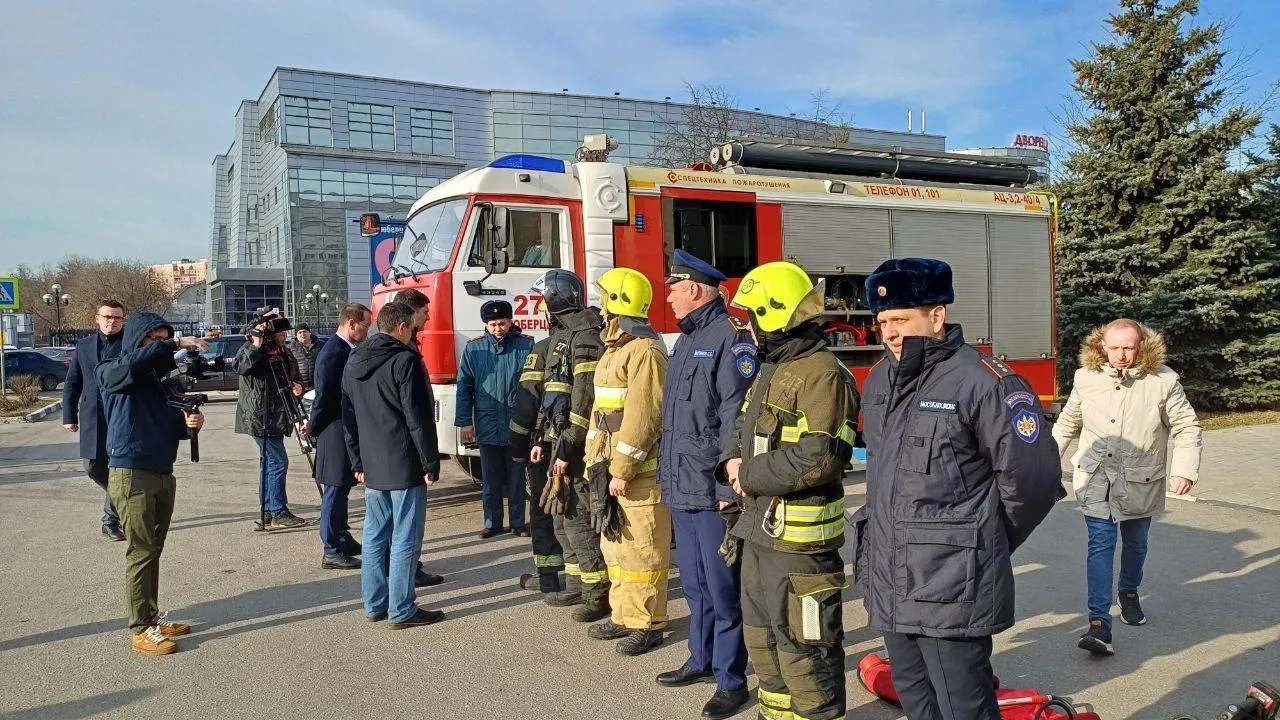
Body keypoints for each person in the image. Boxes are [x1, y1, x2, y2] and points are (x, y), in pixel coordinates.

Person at [854, 258, 1061, 720]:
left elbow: (1035, 480)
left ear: (937, 315)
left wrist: (983, 538)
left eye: (901, 319)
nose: (889, 331)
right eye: (883, 320)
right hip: (893, 575)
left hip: (950, 581)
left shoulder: (985, 381)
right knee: (913, 696)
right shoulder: (882, 379)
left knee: (963, 705)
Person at [717, 262, 858, 720]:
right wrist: (729, 467)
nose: (746, 325)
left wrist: (748, 475)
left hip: (799, 544)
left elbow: (821, 457)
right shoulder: (773, 366)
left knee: (805, 650)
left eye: (751, 315)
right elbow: (742, 428)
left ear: (775, 315)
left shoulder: (822, 374)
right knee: (763, 642)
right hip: (758, 531)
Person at [1051, 318, 1202, 656]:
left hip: (1139, 479)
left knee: (1136, 542)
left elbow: (1186, 426)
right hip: (1096, 478)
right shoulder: (1085, 378)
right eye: (1114, 347)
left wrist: (1184, 469)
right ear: (1102, 345)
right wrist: (1045, 460)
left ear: (1140, 346)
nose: (1121, 355)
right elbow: (1068, 422)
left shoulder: (1163, 381)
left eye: (1128, 348)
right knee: (1100, 544)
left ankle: (1129, 592)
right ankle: (1099, 623)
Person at [654, 251, 753, 718]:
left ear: (694, 289)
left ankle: (732, 680)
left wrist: (726, 487)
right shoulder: (688, 339)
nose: (668, 296)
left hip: (710, 489)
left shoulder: (729, 340)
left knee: (722, 589)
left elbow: (735, 418)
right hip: (681, 485)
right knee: (693, 584)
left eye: (672, 287)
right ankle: (702, 659)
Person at [95, 312, 206, 655]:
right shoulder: (115, 369)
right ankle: (140, 628)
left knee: (153, 549)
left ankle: (152, 617)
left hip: (161, 470)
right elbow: (128, 367)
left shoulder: (162, 380)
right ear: (137, 340)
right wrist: (172, 344)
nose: (159, 346)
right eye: (153, 339)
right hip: (131, 471)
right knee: (141, 550)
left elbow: (173, 427)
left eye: (164, 338)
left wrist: (191, 423)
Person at [341, 300, 445, 629]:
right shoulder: (404, 360)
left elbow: (348, 417)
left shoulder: (354, 359)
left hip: (372, 462)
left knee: (374, 536)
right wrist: (431, 460)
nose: (415, 331)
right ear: (401, 327)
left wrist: (357, 459)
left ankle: (375, 604)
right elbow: (418, 418)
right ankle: (402, 609)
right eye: (413, 327)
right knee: (405, 537)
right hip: (403, 461)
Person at [584, 267, 671, 657]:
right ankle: (624, 615)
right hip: (609, 469)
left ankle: (647, 624)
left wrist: (621, 469)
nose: (601, 310)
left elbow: (643, 417)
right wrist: (593, 462)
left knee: (642, 552)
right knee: (616, 549)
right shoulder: (616, 348)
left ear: (618, 306)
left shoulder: (645, 351)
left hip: (635, 474)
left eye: (605, 301)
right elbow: (599, 413)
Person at [528, 269, 611, 614]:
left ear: (554, 301)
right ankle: (577, 583)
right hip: (558, 440)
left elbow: (582, 401)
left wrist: (566, 449)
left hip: (575, 446)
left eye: (543, 300)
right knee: (560, 517)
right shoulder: (566, 333)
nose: (540, 308)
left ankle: (597, 592)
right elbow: (553, 392)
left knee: (575, 517)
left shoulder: (585, 336)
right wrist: (542, 438)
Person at [457, 300, 533, 538]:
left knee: (517, 479)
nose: (498, 328)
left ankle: (518, 523)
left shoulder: (526, 346)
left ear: (511, 322)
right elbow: (464, 388)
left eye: (502, 323)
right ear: (486, 325)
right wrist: (464, 422)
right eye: (493, 324)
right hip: (487, 422)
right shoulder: (473, 350)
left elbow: (534, 386)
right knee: (490, 479)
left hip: (516, 424)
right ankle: (492, 522)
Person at [390, 287, 446, 588]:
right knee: (407, 525)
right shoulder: (404, 354)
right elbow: (414, 412)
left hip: (390, 451)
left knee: (390, 526)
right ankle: (406, 580)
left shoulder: (394, 348)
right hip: (406, 450)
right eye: (425, 313)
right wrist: (429, 459)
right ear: (410, 315)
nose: (428, 317)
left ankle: (405, 572)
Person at [310, 303, 373, 570]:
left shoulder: (344, 349)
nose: (367, 332)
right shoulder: (334, 352)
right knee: (334, 490)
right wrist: (313, 428)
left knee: (343, 487)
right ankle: (331, 548)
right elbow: (324, 397)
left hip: (344, 428)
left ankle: (342, 537)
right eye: (365, 326)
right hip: (334, 429)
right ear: (351, 322)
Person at [62, 300, 127, 540]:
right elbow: (73, 382)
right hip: (92, 416)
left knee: (120, 466)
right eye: (107, 317)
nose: (112, 321)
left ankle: (110, 521)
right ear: (97, 318)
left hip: (122, 414)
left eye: (117, 318)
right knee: (92, 467)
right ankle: (121, 496)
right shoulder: (84, 345)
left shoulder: (129, 345)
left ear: (123, 321)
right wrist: (69, 415)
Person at [509, 327, 566, 596]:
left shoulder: (543, 348)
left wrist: (519, 446)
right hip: (584, 446)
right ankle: (587, 580)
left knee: (544, 510)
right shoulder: (595, 341)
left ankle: (548, 578)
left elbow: (526, 403)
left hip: (546, 446)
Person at [235, 323, 309, 530]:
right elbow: (241, 367)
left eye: (284, 332)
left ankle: (269, 510)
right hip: (259, 416)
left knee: (269, 463)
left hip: (277, 414)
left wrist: (298, 386)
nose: (283, 335)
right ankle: (277, 511)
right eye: (278, 332)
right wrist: (257, 343)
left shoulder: (283, 350)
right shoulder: (251, 348)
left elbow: (295, 375)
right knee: (277, 461)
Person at [288, 324, 321, 391]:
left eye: (305, 331)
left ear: (309, 333)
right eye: (299, 332)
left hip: (317, 386)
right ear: (296, 335)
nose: (302, 334)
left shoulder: (321, 345)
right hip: (299, 387)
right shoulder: (290, 348)